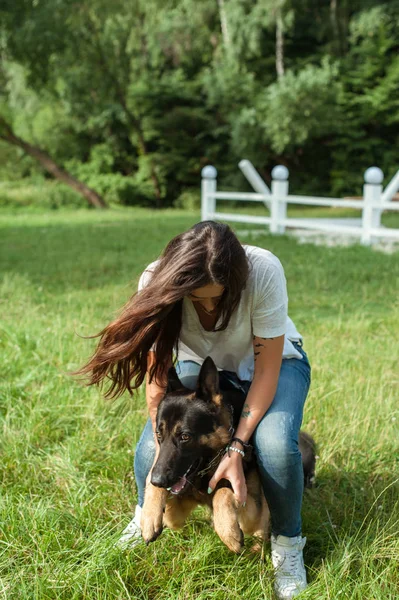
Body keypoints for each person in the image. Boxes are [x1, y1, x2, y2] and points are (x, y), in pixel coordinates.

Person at [78, 221, 312, 599]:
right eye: (196, 298)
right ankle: (143, 517)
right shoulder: (157, 280)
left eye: (216, 298)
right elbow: (157, 377)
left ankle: (287, 543)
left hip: (274, 364)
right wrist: (158, 440)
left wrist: (236, 448)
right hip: (200, 367)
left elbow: (266, 373)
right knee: (147, 450)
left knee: (272, 444)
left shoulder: (264, 271)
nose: (207, 307)